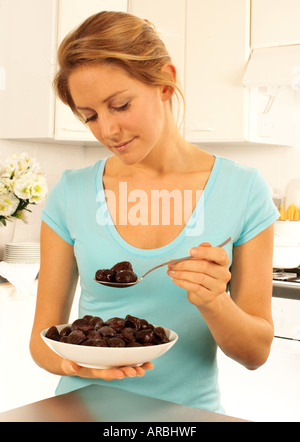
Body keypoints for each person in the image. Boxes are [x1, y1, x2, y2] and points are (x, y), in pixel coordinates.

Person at [30, 11, 279, 413]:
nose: (107, 130)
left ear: (165, 81)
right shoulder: (71, 193)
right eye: (90, 116)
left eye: (120, 105)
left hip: (185, 417)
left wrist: (215, 301)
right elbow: (41, 342)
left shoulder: (244, 191)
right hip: (80, 412)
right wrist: (80, 366)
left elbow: (255, 353)